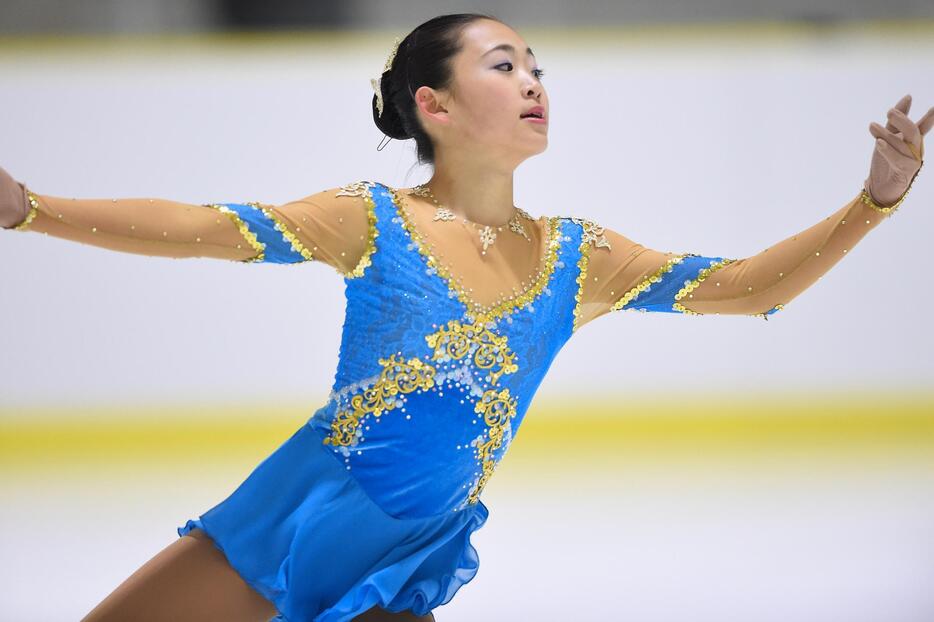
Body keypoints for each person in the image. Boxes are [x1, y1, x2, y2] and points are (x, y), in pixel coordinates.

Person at [1, 11, 930, 622]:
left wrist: (875, 201)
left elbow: (752, 288)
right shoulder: (372, 220)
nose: (533, 80)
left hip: (404, 551)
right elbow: (205, 230)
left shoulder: (579, 257)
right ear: (433, 105)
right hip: (298, 512)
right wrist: (34, 209)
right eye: (504, 65)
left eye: (536, 65)